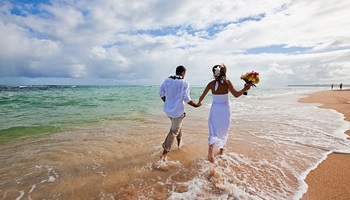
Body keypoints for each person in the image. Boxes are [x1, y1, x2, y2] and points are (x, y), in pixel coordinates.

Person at [197, 64, 251, 163]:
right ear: (223, 72)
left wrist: (199, 103)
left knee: (213, 130)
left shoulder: (211, 84)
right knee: (223, 129)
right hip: (225, 109)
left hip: (215, 109)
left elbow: (202, 96)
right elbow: (236, 95)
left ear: (214, 74)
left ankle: (211, 150)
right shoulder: (227, 82)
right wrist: (245, 89)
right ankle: (221, 151)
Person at [159, 65, 199, 161]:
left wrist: (168, 102)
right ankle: (164, 152)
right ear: (183, 73)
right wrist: (195, 105)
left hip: (168, 111)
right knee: (174, 131)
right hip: (178, 112)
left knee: (177, 126)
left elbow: (161, 93)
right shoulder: (184, 82)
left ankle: (179, 145)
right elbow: (186, 98)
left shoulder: (167, 80)